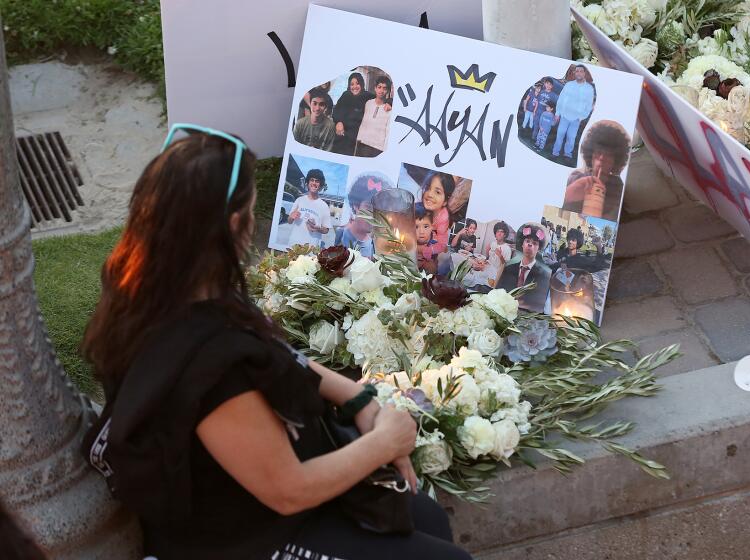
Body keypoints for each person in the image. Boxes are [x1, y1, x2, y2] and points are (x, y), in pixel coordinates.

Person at [80, 128, 471, 560]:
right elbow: (289, 490)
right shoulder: (209, 365)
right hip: (240, 531)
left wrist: (356, 396)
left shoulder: (164, 286)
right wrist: (386, 441)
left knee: (427, 518)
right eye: (252, 210)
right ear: (234, 226)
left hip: (259, 489)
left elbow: (271, 351)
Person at [563, 120, 631, 222]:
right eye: (598, 152)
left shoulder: (619, 189)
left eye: (608, 155)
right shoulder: (575, 178)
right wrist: (573, 192)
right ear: (590, 155)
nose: (601, 159)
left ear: (616, 160)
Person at [496, 224, 552, 313]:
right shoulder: (508, 269)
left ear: (539, 249)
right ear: (522, 244)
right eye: (527, 241)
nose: (530, 245)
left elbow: (538, 305)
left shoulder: (544, 276)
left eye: (534, 243)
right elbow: (497, 294)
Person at [551, 65, 595, 160]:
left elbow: (589, 104)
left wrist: (582, 116)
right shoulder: (569, 85)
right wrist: (558, 113)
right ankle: (555, 152)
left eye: (581, 71)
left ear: (584, 73)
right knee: (560, 134)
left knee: (571, 137)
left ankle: (568, 154)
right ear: (575, 73)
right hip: (564, 115)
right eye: (577, 71)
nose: (579, 73)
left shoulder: (589, 89)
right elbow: (561, 99)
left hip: (576, 118)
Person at [339, 174, 384, 258]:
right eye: (369, 207)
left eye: (378, 210)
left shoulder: (375, 247)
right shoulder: (340, 235)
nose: (374, 215)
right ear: (356, 206)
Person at [287, 168, 333, 249]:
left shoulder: (324, 206)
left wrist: (317, 228)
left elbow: (326, 230)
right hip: (294, 246)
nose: (314, 183)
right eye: (312, 180)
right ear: (308, 182)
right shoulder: (299, 200)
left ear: (320, 185)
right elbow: (289, 221)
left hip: (311, 249)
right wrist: (291, 216)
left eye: (317, 181)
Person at [332, 72, 375, 155]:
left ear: (362, 84)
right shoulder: (345, 95)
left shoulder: (368, 96)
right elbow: (336, 111)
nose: (354, 87)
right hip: (342, 135)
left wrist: (389, 102)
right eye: (352, 84)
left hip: (357, 140)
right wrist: (338, 122)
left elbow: (381, 99)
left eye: (357, 83)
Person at [355, 76, 393, 157]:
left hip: (378, 148)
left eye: (384, 88)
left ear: (388, 91)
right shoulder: (368, 103)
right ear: (375, 88)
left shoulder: (389, 109)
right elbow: (363, 124)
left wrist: (385, 152)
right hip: (363, 144)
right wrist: (358, 140)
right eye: (379, 87)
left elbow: (388, 132)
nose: (381, 91)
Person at [531, 77, 558, 142]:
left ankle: (539, 140)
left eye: (550, 84)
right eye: (547, 83)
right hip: (537, 112)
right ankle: (533, 138)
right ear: (544, 84)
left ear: (552, 86)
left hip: (545, 115)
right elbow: (536, 99)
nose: (548, 86)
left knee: (542, 128)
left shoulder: (553, 95)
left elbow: (557, 103)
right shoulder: (541, 91)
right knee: (536, 125)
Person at [414, 208, 439, 274]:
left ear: (432, 227)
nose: (421, 232)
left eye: (425, 227)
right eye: (416, 227)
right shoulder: (409, 243)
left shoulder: (434, 245)